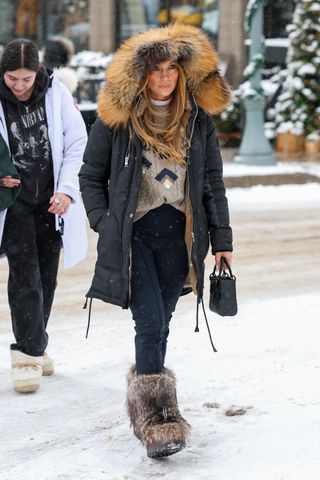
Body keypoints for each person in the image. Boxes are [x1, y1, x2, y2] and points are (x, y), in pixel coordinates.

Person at [79, 23, 233, 458]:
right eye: (155, 70)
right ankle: (157, 420)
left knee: (161, 320)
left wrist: (222, 238)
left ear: (182, 73)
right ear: (141, 75)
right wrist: (104, 223)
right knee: (148, 321)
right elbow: (91, 177)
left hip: (180, 238)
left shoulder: (197, 120)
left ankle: (145, 393)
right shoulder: (118, 121)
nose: (164, 77)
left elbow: (212, 184)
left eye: (171, 69)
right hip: (136, 236)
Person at [0, 38, 88, 394]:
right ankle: (26, 354)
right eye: (12, 79)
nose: (20, 87)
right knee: (25, 275)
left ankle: (36, 343)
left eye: (26, 79)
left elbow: (77, 143)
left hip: (51, 200)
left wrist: (66, 190)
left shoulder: (56, 95)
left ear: (38, 72)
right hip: (14, 201)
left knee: (47, 276)